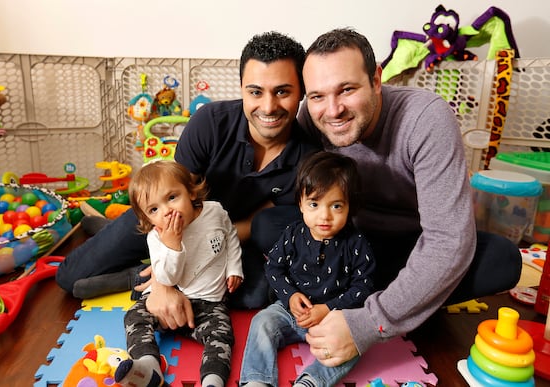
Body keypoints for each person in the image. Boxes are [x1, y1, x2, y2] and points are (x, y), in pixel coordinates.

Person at [296, 28, 522, 367]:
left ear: (375, 79)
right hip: (348, 245)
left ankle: (378, 299)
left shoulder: (425, 118)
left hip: (414, 246)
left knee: (502, 259)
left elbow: (448, 241)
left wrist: (368, 324)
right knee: (271, 228)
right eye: (317, 96)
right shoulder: (310, 119)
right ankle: (403, 299)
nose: (333, 110)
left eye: (347, 89)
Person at [55, 31, 320, 314]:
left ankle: (133, 275)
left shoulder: (310, 158)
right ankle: (139, 264)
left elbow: (259, 224)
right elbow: (168, 195)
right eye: (255, 92)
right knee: (70, 277)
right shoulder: (210, 122)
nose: (268, 107)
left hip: (228, 238)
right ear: (241, 87)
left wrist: (183, 259)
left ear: (301, 91)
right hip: (169, 220)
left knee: (255, 296)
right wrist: (163, 271)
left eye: (282, 91)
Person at [239, 151, 375, 387]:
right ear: (301, 204)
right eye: (314, 204)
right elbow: (273, 267)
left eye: (336, 206)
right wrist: (290, 296)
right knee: (262, 321)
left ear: (350, 206)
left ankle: (311, 381)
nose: (324, 216)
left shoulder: (356, 243)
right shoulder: (293, 234)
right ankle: (257, 380)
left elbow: (364, 286)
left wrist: (328, 308)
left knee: (357, 343)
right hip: (291, 310)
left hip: (333, 320)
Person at [114, 161, 243, 387]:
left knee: (222, 338)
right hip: (167, 303)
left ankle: (212, 380)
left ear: (191, 191)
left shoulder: (215, 211)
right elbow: (166, 280)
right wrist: (172, 245)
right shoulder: (156, 237)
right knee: (133, 317)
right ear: (148, 218)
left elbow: (230, 235)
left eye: (172, 197)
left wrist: (234, 267)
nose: (167, 211)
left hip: (209, 305)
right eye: (154, 209)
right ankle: (148, 366)